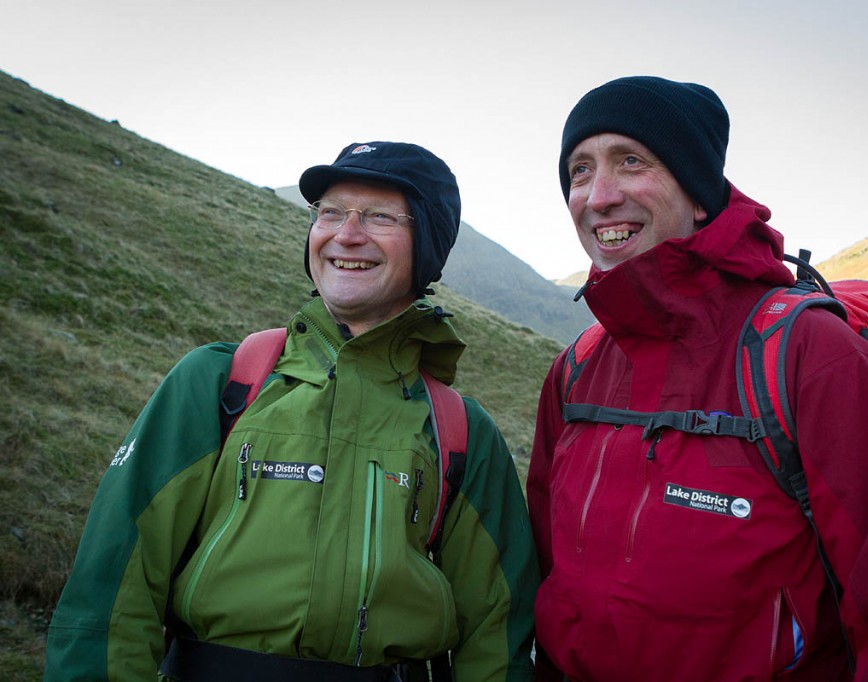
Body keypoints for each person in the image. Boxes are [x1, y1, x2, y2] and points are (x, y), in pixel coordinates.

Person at [526, 76, 868, 681]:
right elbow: (544, 573)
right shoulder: (578, 369)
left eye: (631, 161)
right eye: (580, 171)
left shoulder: (813, 354)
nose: (599, 196)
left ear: (699, 194)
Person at [45, 141, 539, 681]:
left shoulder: (461, 431)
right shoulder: (219, 382)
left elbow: (495, 636)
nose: (346, 234)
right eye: (330, 212)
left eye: (378, 216)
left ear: (428, 245)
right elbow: (114, 585)